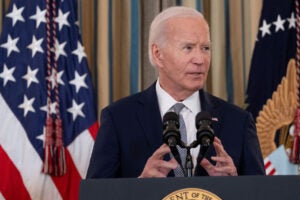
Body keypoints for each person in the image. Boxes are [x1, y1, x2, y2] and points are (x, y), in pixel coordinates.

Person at [86, 6, 265, 178]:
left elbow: (261, 195)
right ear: (158, 54)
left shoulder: (239, 122)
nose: (200, 59)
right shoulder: (119, 118)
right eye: (188, 48)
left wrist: (234, 185)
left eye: (205, 48)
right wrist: (140, 186)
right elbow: (96, 194)